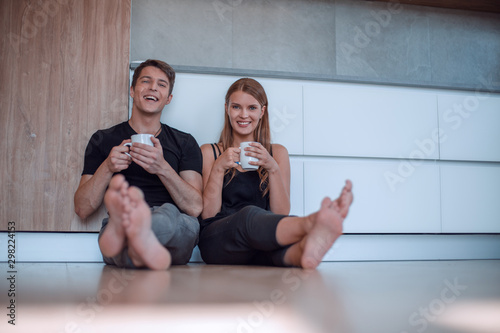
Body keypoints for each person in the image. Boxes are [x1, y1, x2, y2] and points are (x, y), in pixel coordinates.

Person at [199, 78, 353, 269]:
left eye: (252, 108)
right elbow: (208, 214)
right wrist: (219, 167)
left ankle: (303, 254)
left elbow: (280, 212)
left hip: (259, 240)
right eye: (236, 107)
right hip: (218, 241)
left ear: (262, 111)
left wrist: (272, 167)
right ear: (227, 108)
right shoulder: (209, 152)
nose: (244, 115)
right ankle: (312, 223)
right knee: (248, 215)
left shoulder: (277, 153)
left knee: (277, 248)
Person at [74, 59, 202, 270]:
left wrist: (161, 167)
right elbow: (82, 208)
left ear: (168, 98)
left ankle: (134, 234)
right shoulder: (102, 139)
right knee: (129, 243)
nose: (153, 87)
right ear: (132, 91)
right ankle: (141, 244)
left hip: (175, 224)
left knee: (167, 216)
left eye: (161, 84)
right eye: (146, 81)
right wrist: (107, 167)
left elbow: (195, 207)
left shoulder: (185, 142)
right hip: (125, 221)